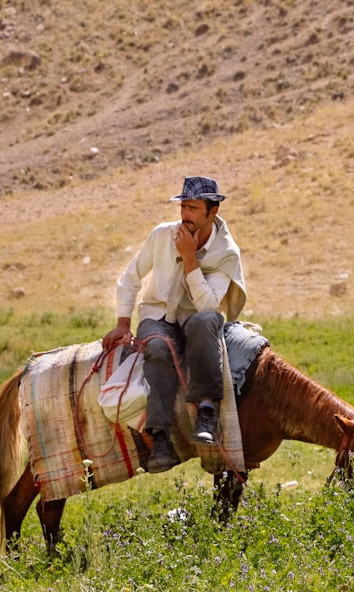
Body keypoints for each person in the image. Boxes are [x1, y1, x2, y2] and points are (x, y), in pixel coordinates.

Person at [102, 176, 247, 473]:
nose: (185, 215)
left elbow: (208, 306)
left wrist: (190, 258)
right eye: (183, 206)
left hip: (196, 320)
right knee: (156, 348)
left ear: (212, 212)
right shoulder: (162, 235)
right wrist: (123, 322)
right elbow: (130, 277)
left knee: (206, 320)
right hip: (158, 316)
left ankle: (207, 412)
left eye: (193, 208)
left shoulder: (226, 252)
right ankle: (159, 438)